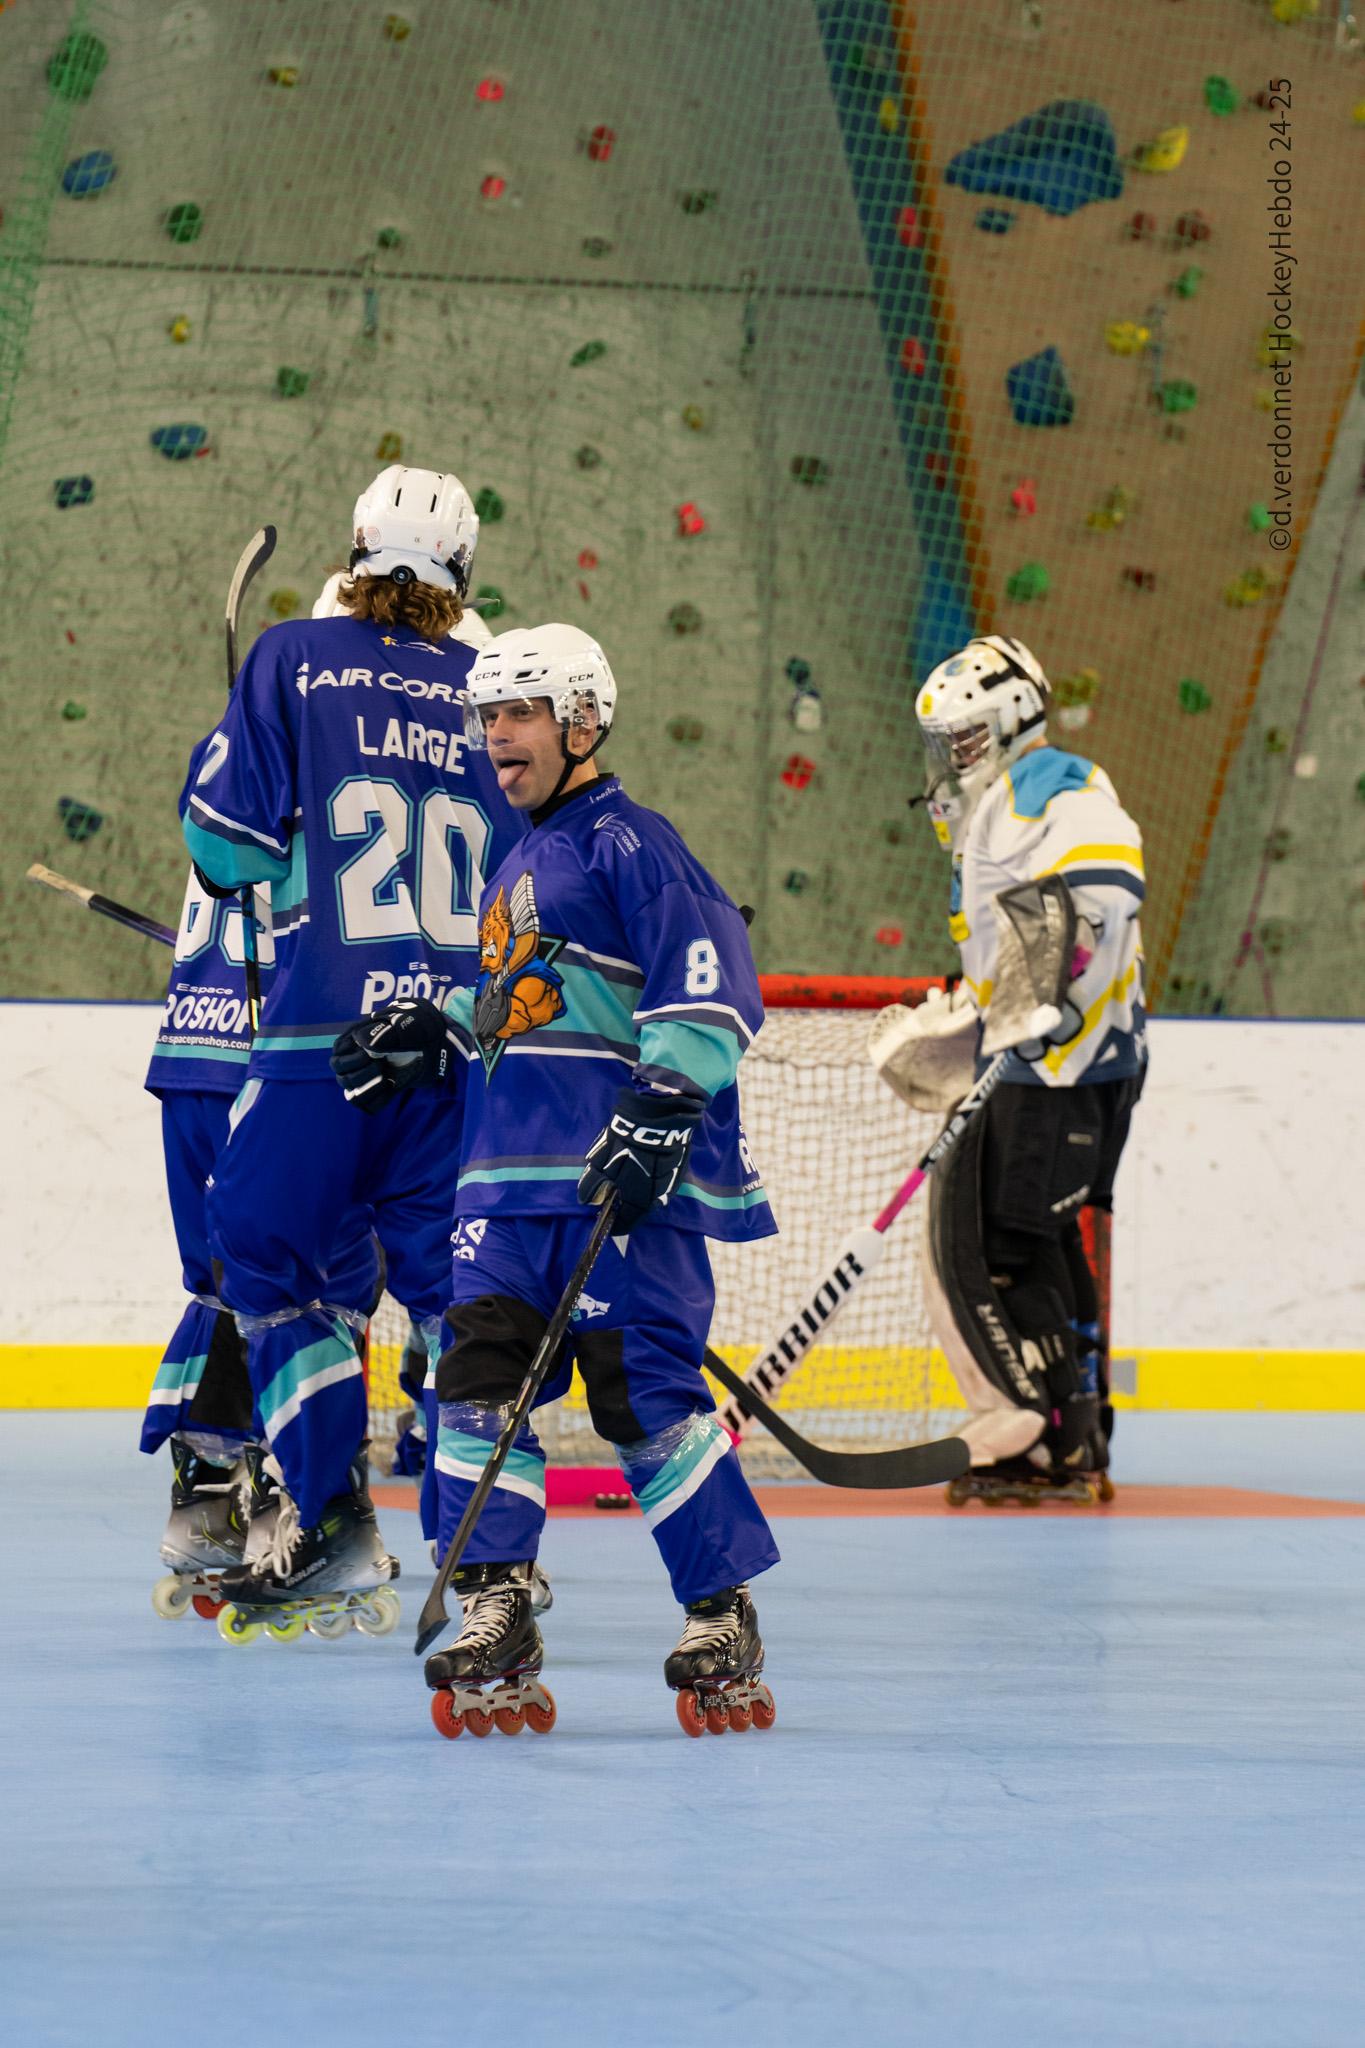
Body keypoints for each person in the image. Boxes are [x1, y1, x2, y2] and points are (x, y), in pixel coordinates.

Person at [331, 624, 780, 1736]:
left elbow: (714, 981)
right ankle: (496, 1599)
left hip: (607, 1186)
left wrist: (665, 1107)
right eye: (487, 717)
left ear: (583, 720)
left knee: (646, 1403)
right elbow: (513, 1007)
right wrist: (426, 1030)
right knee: (474, 1391)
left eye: (519, 713)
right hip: (501, 1191)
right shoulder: (512, 858)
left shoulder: (637, 844)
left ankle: (721, 1610)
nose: (496, 737)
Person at [175, 464, 524, 1638]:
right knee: (458, 1301)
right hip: (458, 1052)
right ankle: (494, 1566)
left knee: (267, 1255)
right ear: (463, 577)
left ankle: (332, 1522)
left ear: (357, 552)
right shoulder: (498, 695)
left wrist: (273, 871)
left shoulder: (290, 657)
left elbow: (218, 844)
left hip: (326, 1039)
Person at [871, 634, 1146, 1505]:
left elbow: (1098, 890)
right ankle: (1067, 1435)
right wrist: (981, 1016)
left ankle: (1036, 1427)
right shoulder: (1000, 804)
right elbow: (1025, 934)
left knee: (1003, 1242)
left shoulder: (1048, 783)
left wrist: (1038, 1001)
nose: (949, 757)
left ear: (1011, 719)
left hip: (1065, 1065)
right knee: (1031, 1235)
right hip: (1046, 1059)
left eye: (963, 735)